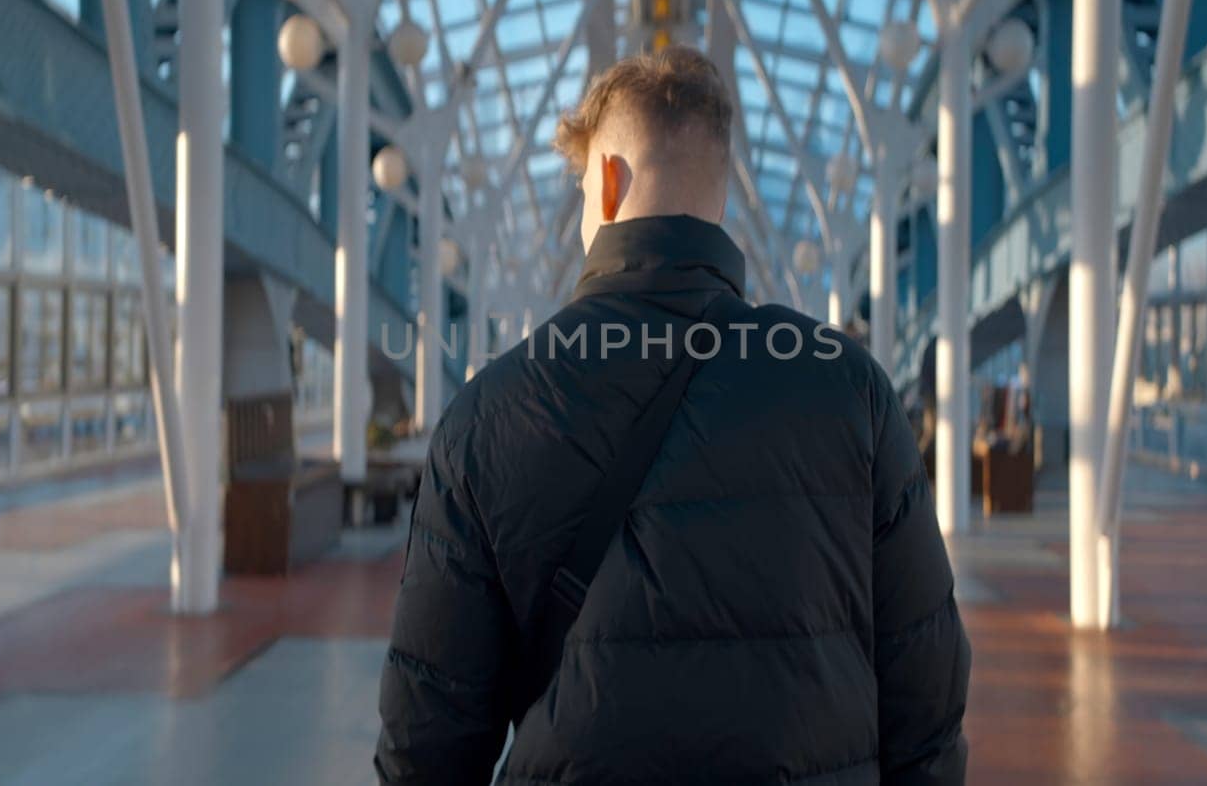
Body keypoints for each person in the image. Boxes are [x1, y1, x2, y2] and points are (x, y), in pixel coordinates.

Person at [375, 46, 969, 784]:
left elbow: (426, 738)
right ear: (719, 196)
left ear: (610, 183)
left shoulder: (487, 414)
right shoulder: (851, 391)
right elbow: (928, 696)